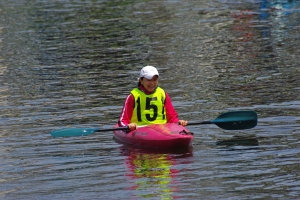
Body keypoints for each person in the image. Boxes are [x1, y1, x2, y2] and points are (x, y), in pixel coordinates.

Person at [118, 65, 188, 131]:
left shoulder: (162, 94)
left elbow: (172, 117)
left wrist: (178, 122)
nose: (152, 83)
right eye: (148, 80)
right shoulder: (133, 96)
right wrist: (128, 126)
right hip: (140, 129)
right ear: (141, 81)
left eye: (155, 80)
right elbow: (123, 121)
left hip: (162, 129)